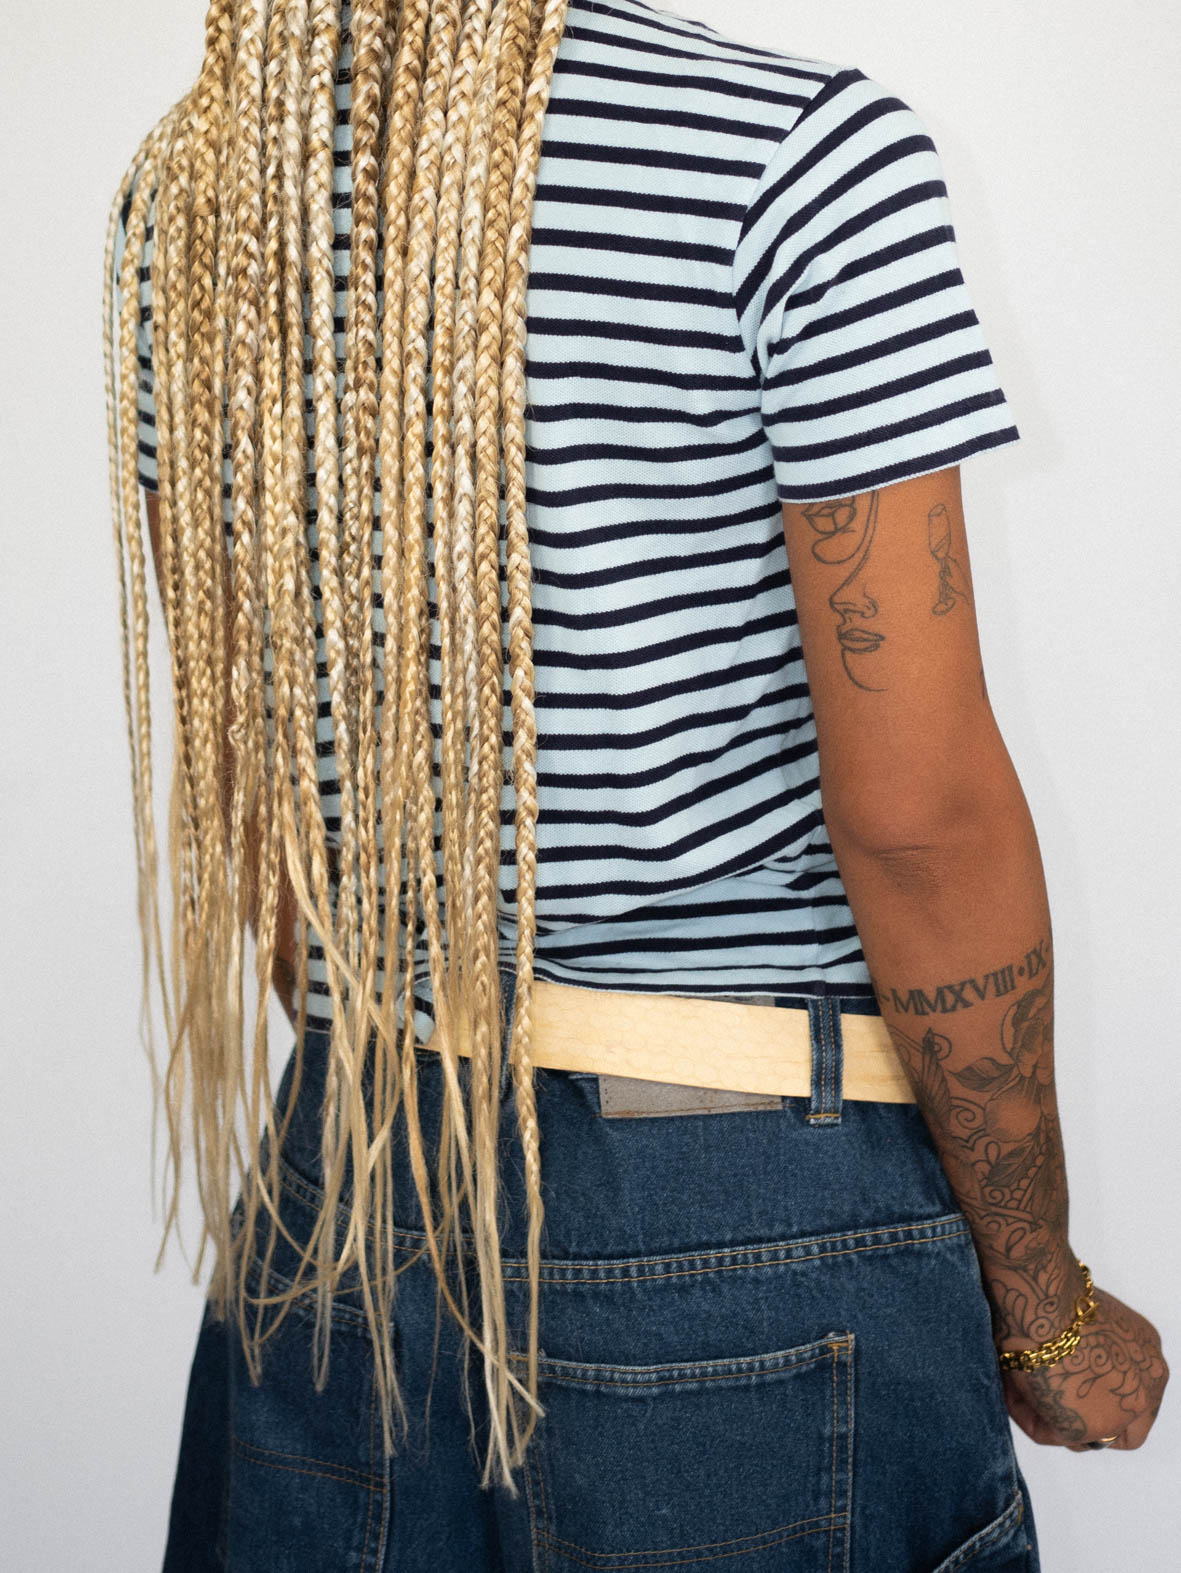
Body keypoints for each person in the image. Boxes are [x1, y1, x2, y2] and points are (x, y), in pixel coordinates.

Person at [106, 0, 1167, 1567]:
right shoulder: (791, 159)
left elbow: (261, 808)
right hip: (734, 1194)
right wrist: (1042, 1299)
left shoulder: (204, 184)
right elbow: (917, 818)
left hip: (351, 1185)